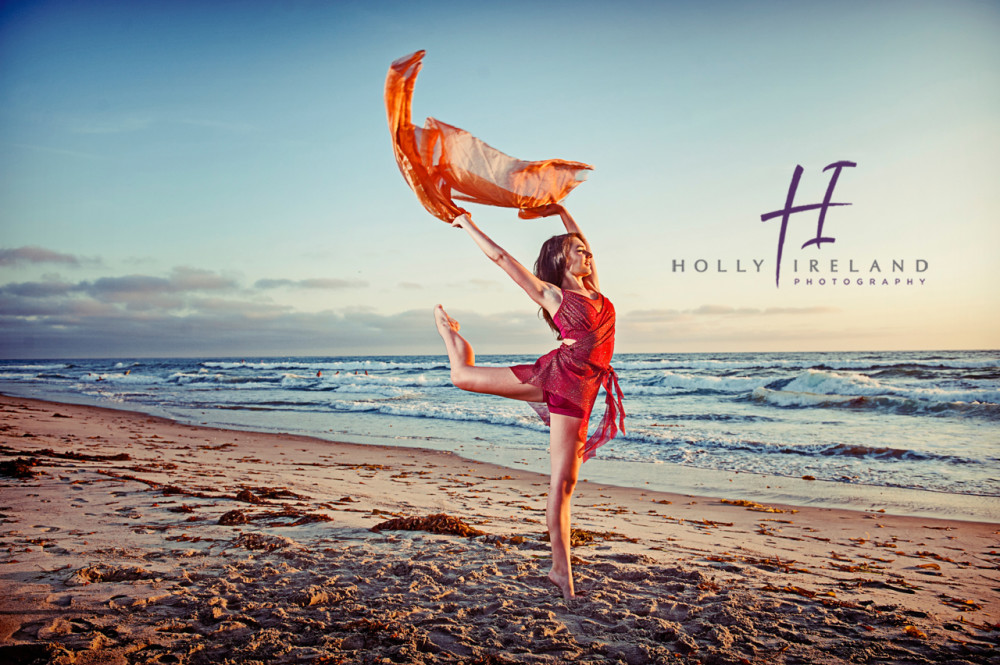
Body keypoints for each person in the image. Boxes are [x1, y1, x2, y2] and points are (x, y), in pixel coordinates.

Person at [434, 203, 623, 600]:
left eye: (586, 250)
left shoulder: (596, 292)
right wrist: (467, 222)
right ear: (561, 258)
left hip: (584, 389)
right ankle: (562, 571)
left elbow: (585, 241)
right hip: (560, 375)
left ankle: (559, 569)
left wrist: (562, 208)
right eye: (578, 250)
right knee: (462, 377)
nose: (587, 253)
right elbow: (502, 258)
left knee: (567, 481)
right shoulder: (553, 295)